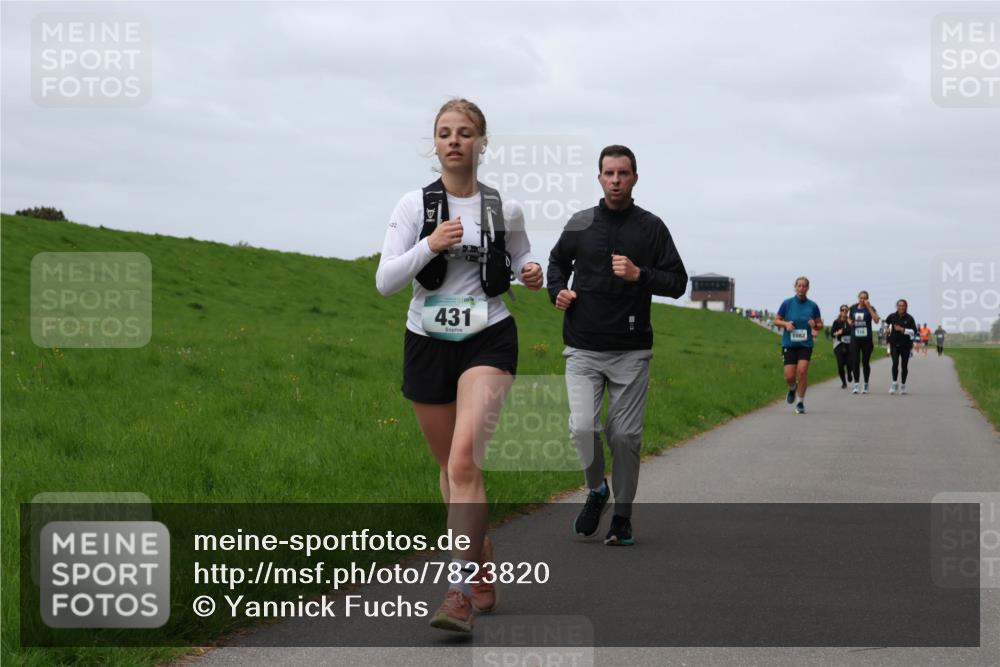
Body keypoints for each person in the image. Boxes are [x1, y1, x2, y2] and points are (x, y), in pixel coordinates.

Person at [375, 98, 544, 632]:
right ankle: (479, 554)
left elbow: (518, 257)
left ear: (482, 142)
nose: (454, 140)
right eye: (445, 132)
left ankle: (456, 593)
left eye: (464, 132)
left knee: (465, 462)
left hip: (488, 337)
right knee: (449, 470)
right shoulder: (413, 205)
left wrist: (531, 270)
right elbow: (386, 280)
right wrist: (430, 244)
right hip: (426, 339)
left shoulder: (503, 209)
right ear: (435, 144)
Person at [547, 145, 687, 547]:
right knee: (582, 427)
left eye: (623, 174)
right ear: (599, 178)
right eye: (608, 173)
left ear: (635, 178)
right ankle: (597, 490)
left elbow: (678, 283)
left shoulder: (652, 228)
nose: (615, 180)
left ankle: (622, 516)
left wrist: (640, 274)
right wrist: (557, 291)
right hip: (583, 347)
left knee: (624, 437)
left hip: (630, 350)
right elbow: (557, 263)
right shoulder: (580, 223)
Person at [773, 277, 823, 414]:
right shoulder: (787, 303)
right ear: (795, 287)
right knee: (789, 376)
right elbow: (776, 320)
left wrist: (816, 325)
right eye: (799, 286)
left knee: (802, 371)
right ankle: (792, 388)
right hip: (789, 343)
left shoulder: (813, 306)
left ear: (808, 288)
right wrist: (786, 324)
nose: (801, 288)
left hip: (805, 345)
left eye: (804, 286)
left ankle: (800, 402)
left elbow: (820, 325)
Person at [848, 290, 880, 394]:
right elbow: (848, 319)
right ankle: (856, 384)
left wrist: (869, 307)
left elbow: (876, 320)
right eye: (861, 298)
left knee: (865, 362)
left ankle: (865, 384)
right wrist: (850, 322)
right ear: (858, 298)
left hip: (867, 339)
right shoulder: (852, 308)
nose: (862, 300)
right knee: (855, 361)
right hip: (855, 339)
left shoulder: (870, 308)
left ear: (867, 299)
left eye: (865, 298)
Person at [884, 299, 918, 394]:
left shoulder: (909, 318)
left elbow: (914, 331)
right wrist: (886, 330)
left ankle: (903, 385)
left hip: (905, 345)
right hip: (894, 344)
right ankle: (894, 384)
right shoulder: (892, 316)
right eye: (899, 305)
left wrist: (903, 329)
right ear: (897, 306)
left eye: (903, 305)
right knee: (895, 363)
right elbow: (886, 323)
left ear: (906, 307)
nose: (901, 307)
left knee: (904, 366)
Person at [830, 304, 854, 389]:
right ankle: (844, 382)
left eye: (846, 310)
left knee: (849, 363)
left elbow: (852, 331)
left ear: (848, 312)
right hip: (839, 345)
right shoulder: (836, 322)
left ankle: (849, 372)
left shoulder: (850, 321)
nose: (844, 312)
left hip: (849, 344)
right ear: (840, 311)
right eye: (842, 310)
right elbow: (832, 334)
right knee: (840, 364)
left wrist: (844, 330)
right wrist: (836, 333)